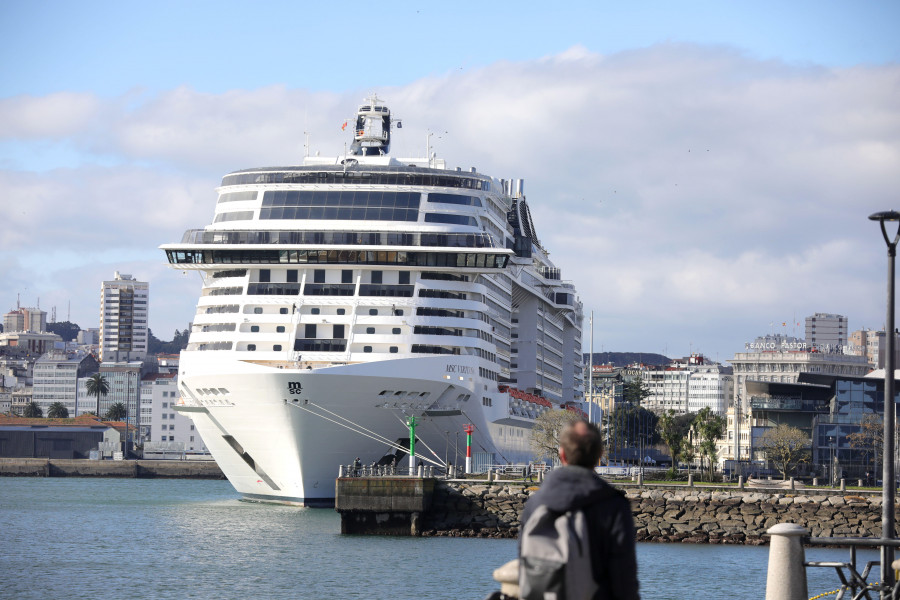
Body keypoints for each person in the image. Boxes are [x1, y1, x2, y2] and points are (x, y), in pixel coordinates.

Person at [519, 419, 640, 599]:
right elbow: (624, 578)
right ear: (599, 454)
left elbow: (524, 568)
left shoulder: (535, 504)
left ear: (562, 454)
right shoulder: (613, 505)